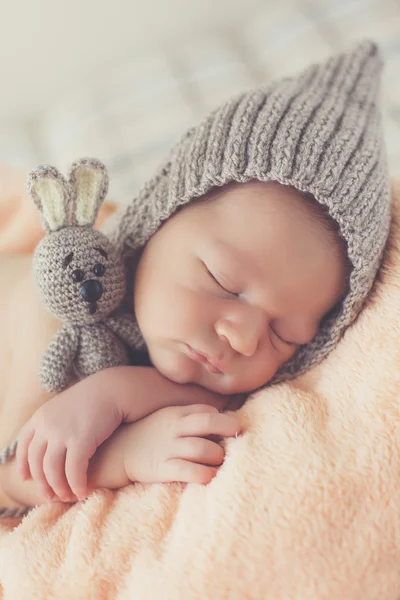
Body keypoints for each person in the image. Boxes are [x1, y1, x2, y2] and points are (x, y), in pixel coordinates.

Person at [0, 40, 390, 517]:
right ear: (157, 219)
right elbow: (12, 479)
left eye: (283, 334)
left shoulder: (208, 373)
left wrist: (121, 392)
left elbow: (211, 396)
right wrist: (122, 453)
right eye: (223, 281)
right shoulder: (65, 304)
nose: (244, 337)